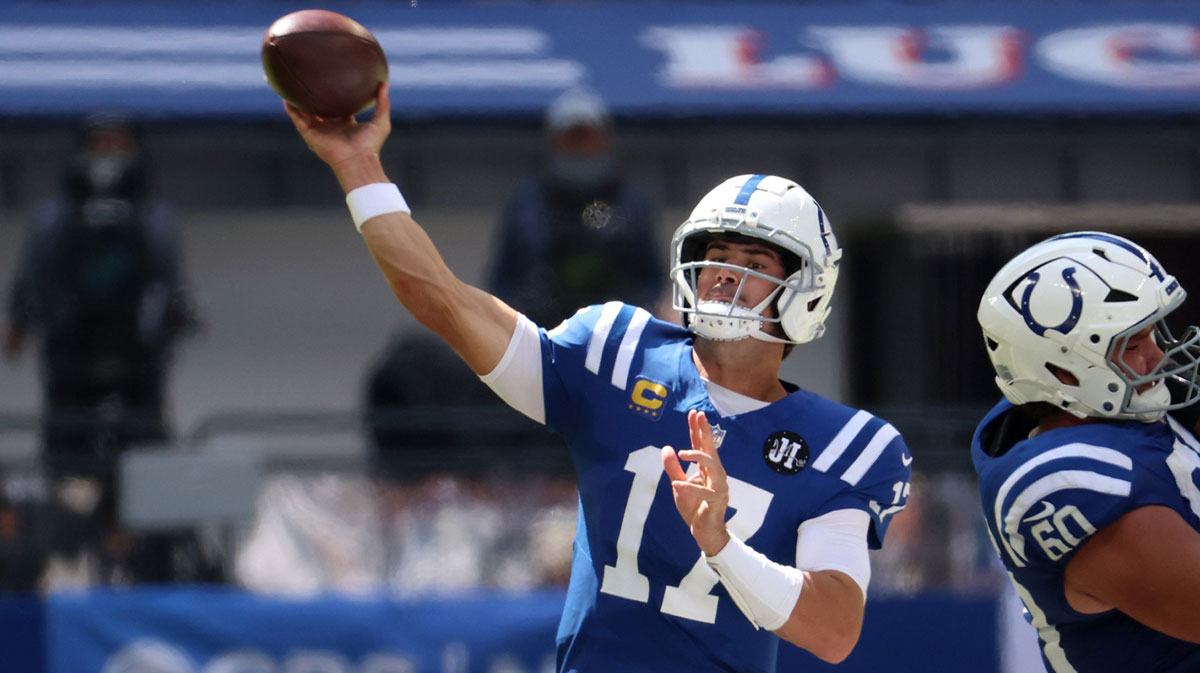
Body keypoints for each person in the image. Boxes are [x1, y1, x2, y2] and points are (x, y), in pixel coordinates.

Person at [285, 84, 911, 671]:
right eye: (715, 257)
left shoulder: (846, 447)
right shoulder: (615, 353)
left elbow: (834, 630)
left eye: (752, 262)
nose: (724, 275)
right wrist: (358, 167)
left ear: (804, 292)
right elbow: (443, 300)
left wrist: (722, 544)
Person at [972, 231, 1200, 672]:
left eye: (1152, 334)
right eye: (1133, 345)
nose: (1159, 358)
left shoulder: (1114, 409)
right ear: (1063, 370)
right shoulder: (1071, 482)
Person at [2, 111, 201, 584]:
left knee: (145, 484)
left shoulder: (155, 221)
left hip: (139, 379)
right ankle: (57, 568)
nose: (107, 155)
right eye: (99, 143)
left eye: (117, 143)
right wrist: (19, 327)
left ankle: (147, 563)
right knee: (66, 482)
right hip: (70, 377)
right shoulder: (52, 221)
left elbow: (177, 294)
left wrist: (178, 320)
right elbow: (25, 294)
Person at [487, 87, 664, 327]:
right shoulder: (526, 205)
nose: (580, 146)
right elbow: (503, 281)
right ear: (554, 141)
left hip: (617, 335)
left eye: (587, 137)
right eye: (571, 138)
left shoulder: (631, 204)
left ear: (604, 139)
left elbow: (653, 281)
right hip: (542, 334)